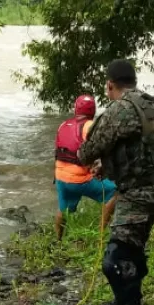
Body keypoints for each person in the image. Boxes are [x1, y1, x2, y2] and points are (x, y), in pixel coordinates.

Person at [78, 59, 154, 305]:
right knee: (134, 249)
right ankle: (125, 298)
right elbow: (151, 139)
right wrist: (111, 165)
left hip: (137, 196)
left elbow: (85, 152)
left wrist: (98, 158)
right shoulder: (152, 105)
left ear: (109, 85)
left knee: (116, 261)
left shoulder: (119, 110)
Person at [53, 95, 117, 241]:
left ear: (76, 109)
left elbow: (58, 152)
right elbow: (100, 149)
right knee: (115, 192)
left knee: (63, 209)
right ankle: (101, 234)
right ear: (93, 111)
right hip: (81, 180)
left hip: (61, 178)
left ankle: (57, 240)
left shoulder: (63, 125)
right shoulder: (90, 126)